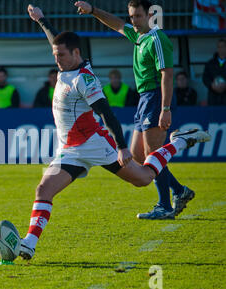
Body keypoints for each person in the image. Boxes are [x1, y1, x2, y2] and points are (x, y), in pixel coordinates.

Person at [19, 5, 211, 260]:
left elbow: (107, 114)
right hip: (70, 150)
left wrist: (120, 146)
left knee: (142, 178)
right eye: (55, 55)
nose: (57, 60)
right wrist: (41, 19)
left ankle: (180, 142)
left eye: (61, 55)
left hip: (95, 144)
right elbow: (57, 41)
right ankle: (29, 244)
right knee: (43, 191)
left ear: (76, 53)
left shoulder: (84, 80)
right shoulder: (66, 66)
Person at [76, 0, 193, 219]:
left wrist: (165, 108)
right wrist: (92, 11)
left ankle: (165, 206)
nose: (134, 21)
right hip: (144, 99)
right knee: (139, 156)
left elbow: (167, 74)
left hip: (157, 97)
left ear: (149, 15)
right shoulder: (139, 36)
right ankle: (179, 190)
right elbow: (117, 24)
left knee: (152, 154)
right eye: (132, 16)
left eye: (138, 16)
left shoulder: (158, 39)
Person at [202, 38, 226, 106]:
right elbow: (205, 78)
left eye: (223, 46)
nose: (221, 49)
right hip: (213, 97)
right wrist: (212, 85)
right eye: (219, 47)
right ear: (217, 48)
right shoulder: (210, 63)